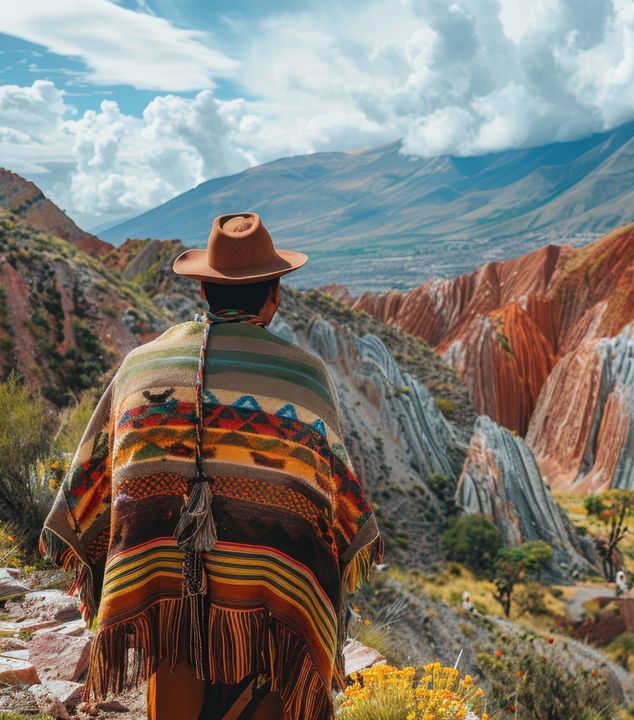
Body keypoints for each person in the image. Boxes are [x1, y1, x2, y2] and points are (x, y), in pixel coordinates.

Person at [41, 213, 381, 720]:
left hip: (164, 578)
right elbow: (332, 504)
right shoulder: (305, 378)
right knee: (275, 658)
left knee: (175, 643)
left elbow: (98, 479)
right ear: (275, 295)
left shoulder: (141, 366)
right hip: (269, 590)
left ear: (204, 290)